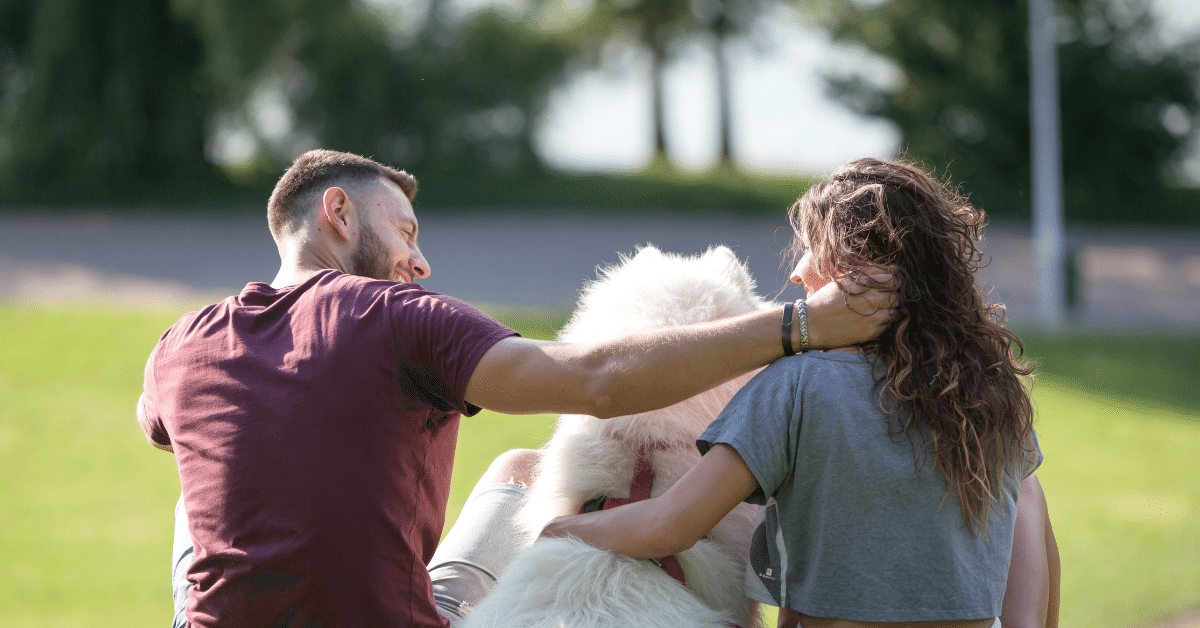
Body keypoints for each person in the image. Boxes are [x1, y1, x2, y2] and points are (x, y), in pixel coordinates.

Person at [138, 149, 896, 628]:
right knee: (520, 468)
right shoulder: (396, 317)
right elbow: (594, 380)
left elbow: (165, 431)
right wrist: (799, 327)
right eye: (405, 231)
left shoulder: (180, 344)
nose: (419, 259)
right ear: (338, 212)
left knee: (195, 492)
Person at [541, 158, 1061, 628]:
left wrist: (562, 528)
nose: (795, 271)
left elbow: (667, 528)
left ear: (848, 268)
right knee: (1027, 489)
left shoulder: (797, 384)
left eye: (812, 248)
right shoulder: (989, 390)